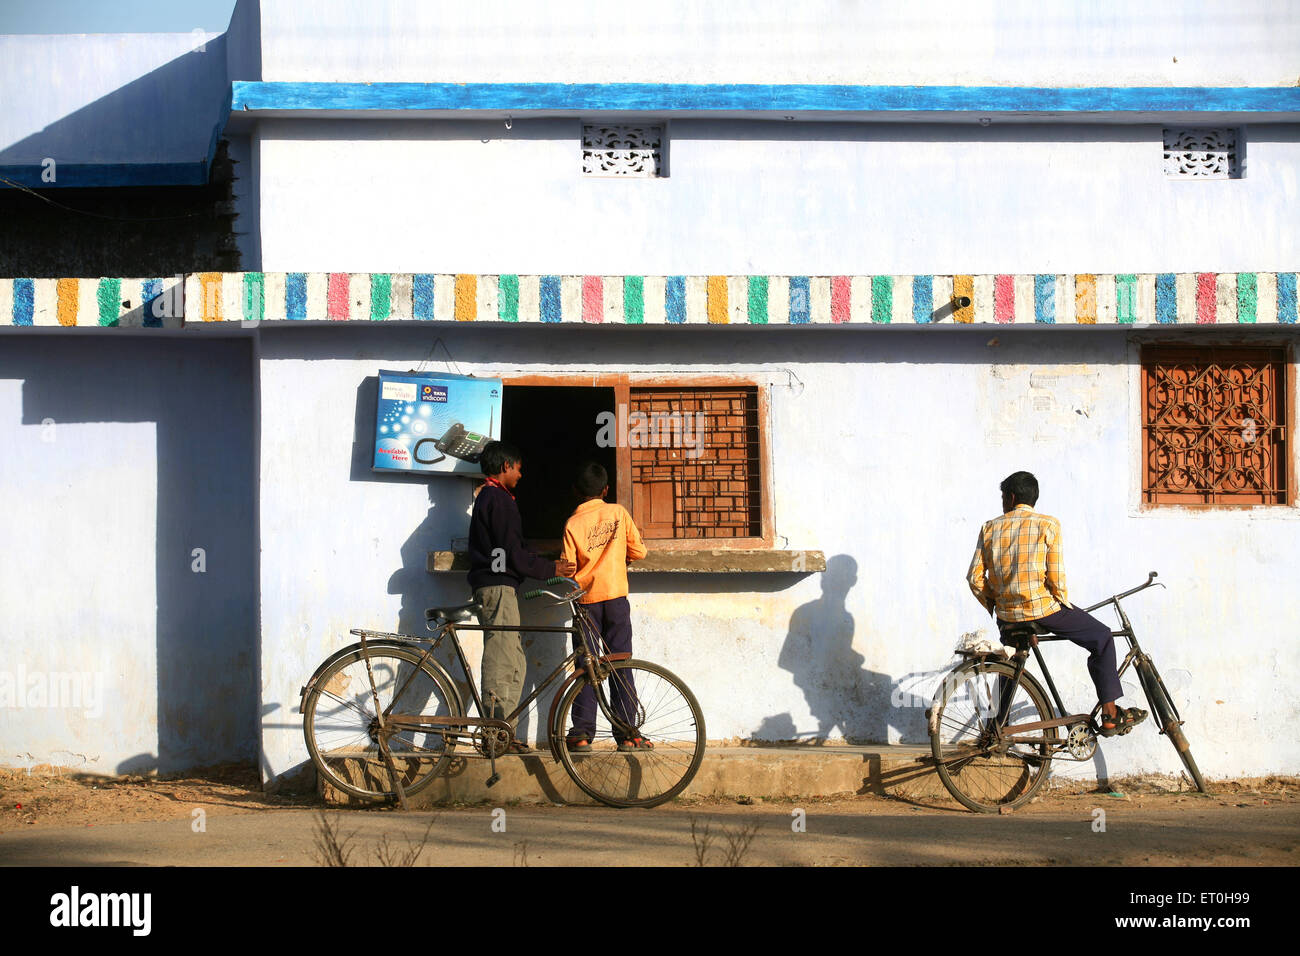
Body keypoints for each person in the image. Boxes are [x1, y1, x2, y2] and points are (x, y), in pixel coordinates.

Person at [966, 471, 1147, 737]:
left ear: (1011, 497)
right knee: (1102, 637)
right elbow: (1056, 578)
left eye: (1003, 497)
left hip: (1007, 617)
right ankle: (1110, 714)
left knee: (1013, 662)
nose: (1003, 502)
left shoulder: (990, 527)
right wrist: (1062, 603)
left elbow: (974, 579)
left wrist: (998, 602)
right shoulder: (1048, 525)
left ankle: (995, 728)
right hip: (1042, 610)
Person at [467, 441, 556, 753]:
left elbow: (509, 551)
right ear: (505, 466)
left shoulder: (490, 497)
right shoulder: (498, 499)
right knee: (502, 660)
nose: (521, 473)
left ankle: (504, 732)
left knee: (512, 659)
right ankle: (495, 736)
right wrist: (550, 568)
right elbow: (511, 553)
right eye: (518, 467)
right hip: (497, 586)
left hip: (497, 586)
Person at [558, 461, 649, 752]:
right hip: (616, 599)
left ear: (574, 491)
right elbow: (639, 551)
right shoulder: (618, 513)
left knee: (587, 667)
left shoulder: (572, 523)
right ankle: (627, 733)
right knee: (621, 662)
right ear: (606, 489)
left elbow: (568, 568)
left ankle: (582, 733)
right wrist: (617, 560)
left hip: (585, 602)